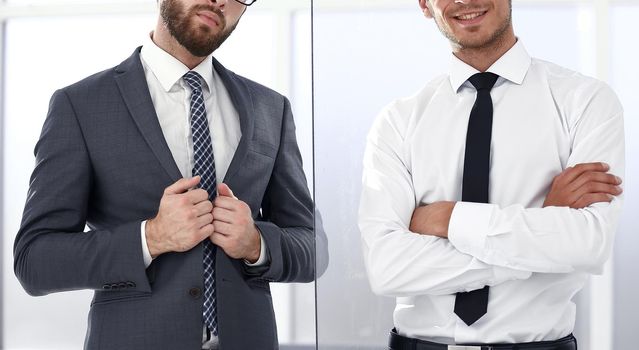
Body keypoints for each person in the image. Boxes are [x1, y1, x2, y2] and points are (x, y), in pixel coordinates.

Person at [13, 0, 324, 349]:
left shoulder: (271, 107)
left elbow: (313, 249)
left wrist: (256, 243)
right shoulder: (81, 105)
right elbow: (34, 260)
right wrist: (151, 238)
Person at [358, 0, 624, 349]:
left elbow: (587, 244)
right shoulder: (398, 121)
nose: (465, 1)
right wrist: (539, 229)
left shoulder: (585, 101)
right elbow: (387, 267)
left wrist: (449, 219)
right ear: (424, 4)